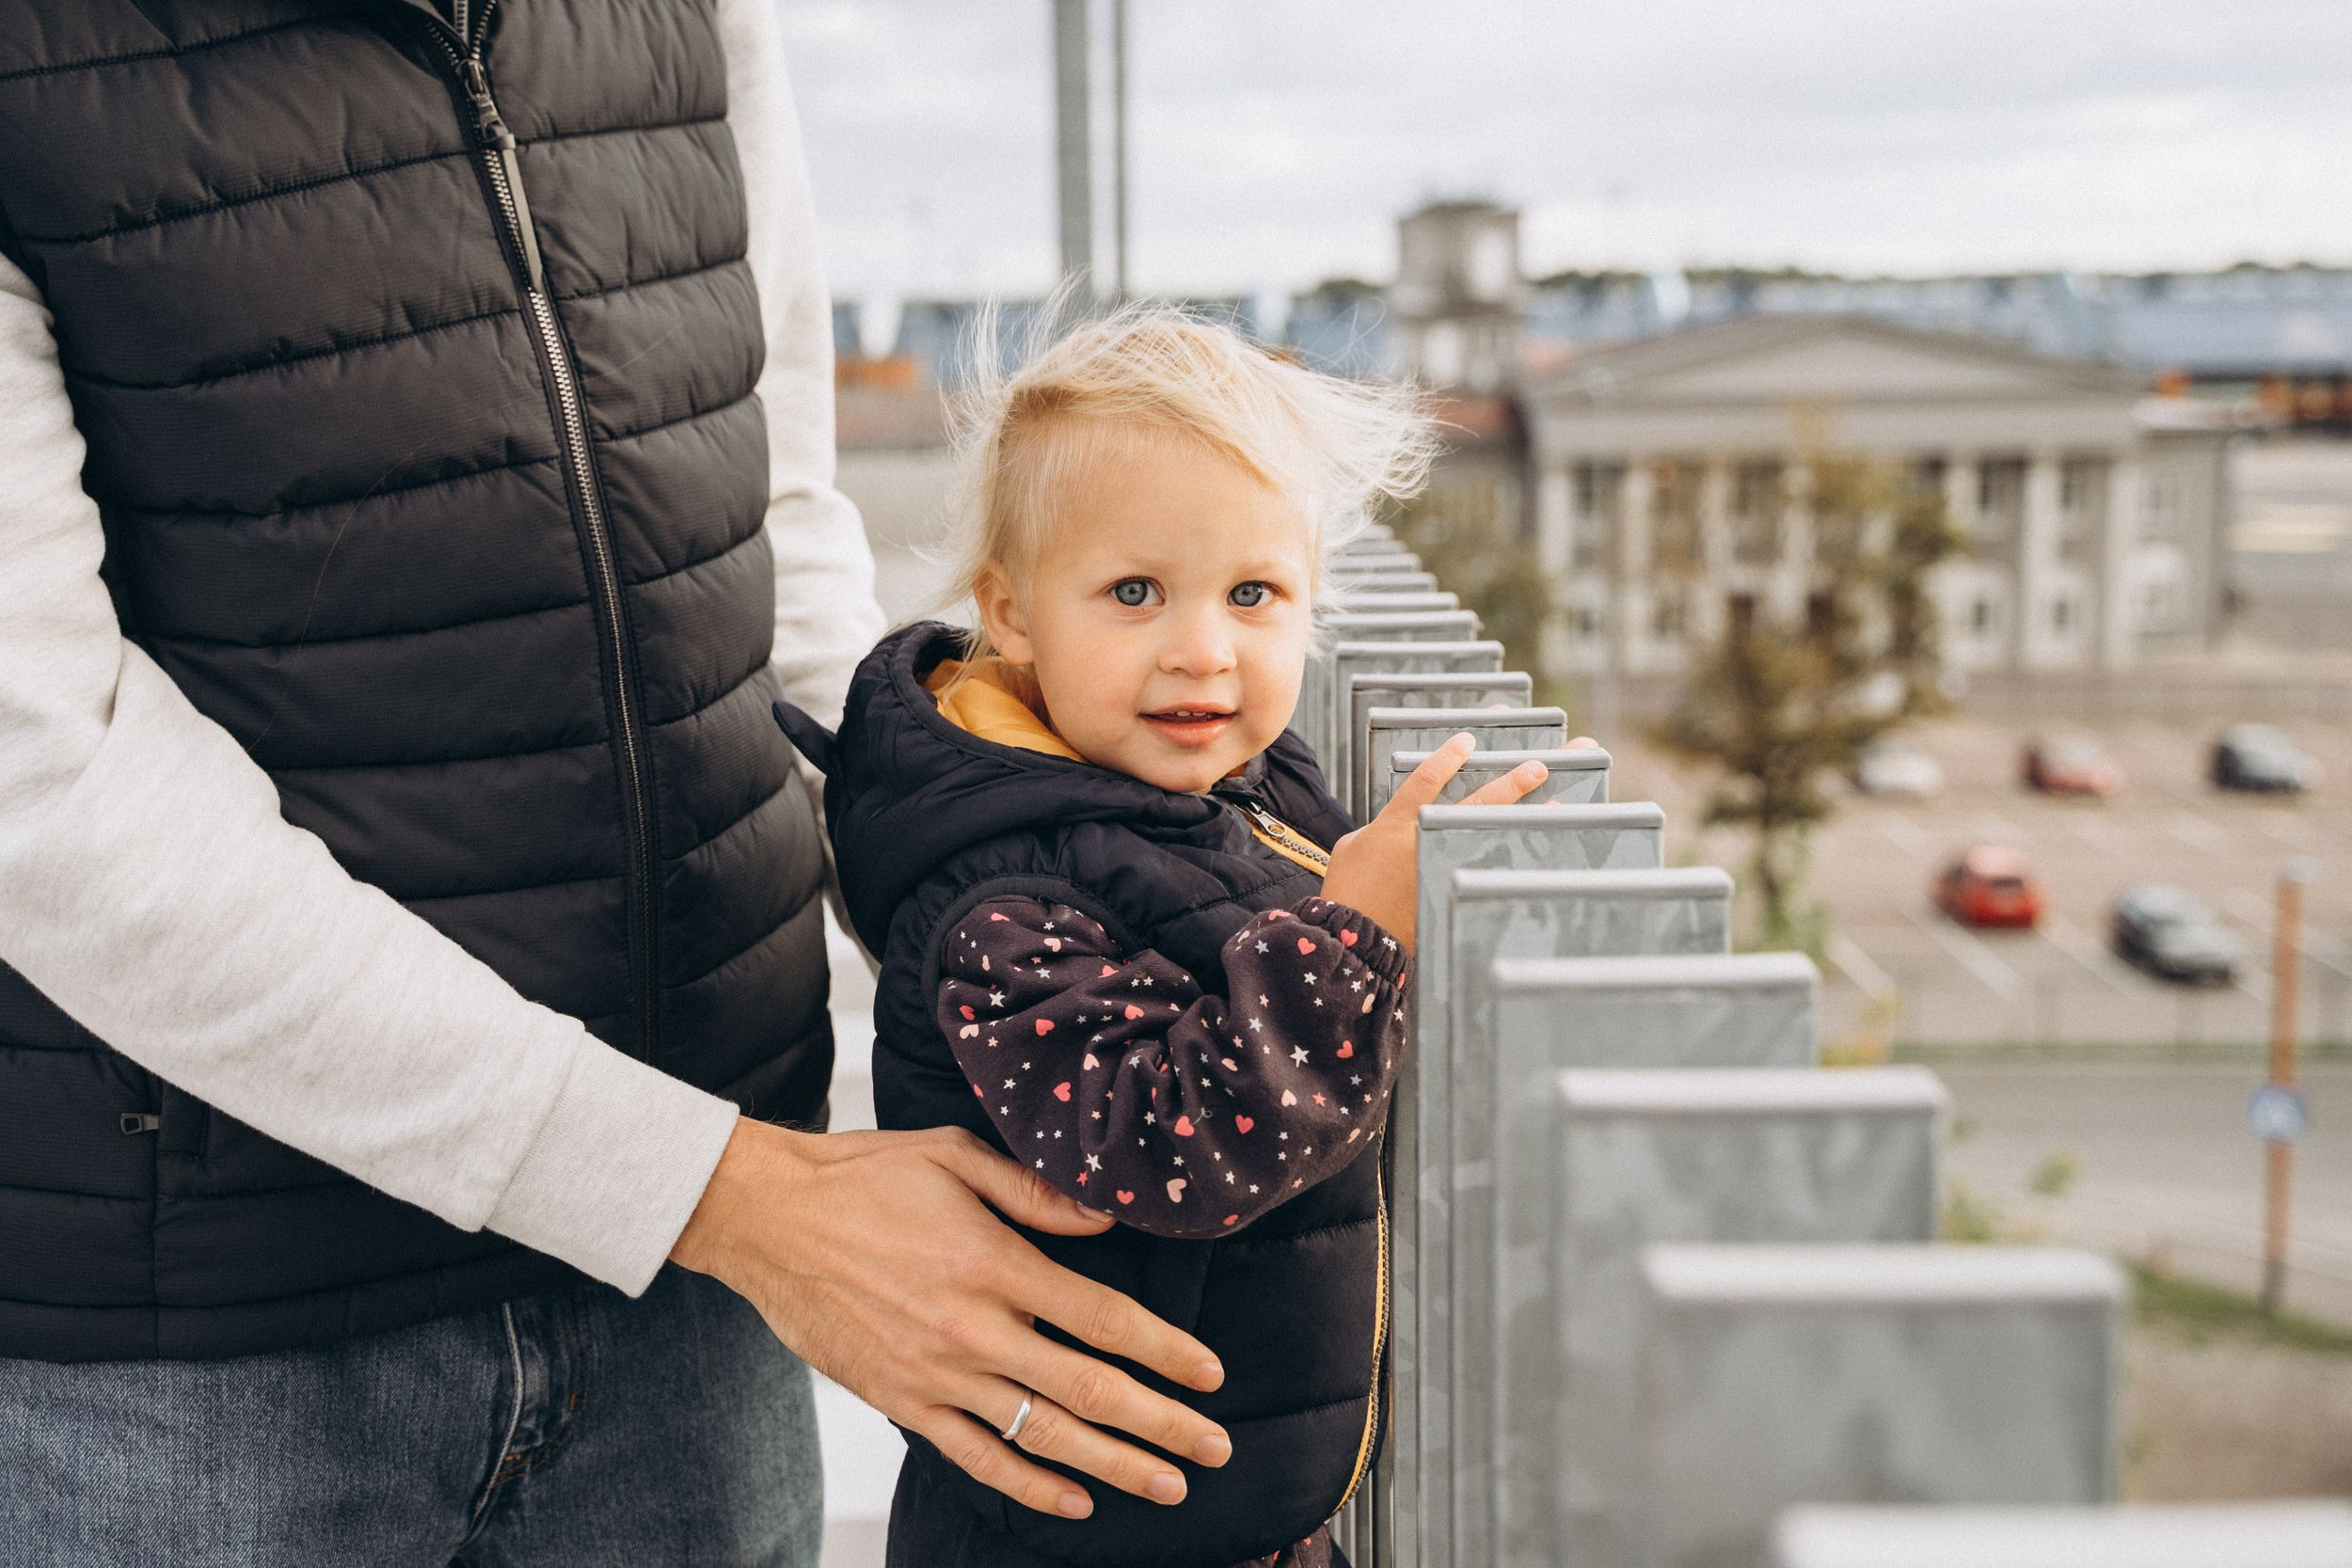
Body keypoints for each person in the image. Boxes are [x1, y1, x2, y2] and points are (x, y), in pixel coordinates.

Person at [0, 2, 1230, 1560]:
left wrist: (1049, 907)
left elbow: (763, 524)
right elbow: (45, 779)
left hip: (694, 1312)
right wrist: (715, 1193)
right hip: (210, 1370)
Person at [776, 309, 1555, 1567]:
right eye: (1135, 592)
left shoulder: (1216, 789)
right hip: (1077, 1532)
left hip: (1211, 1512)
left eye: (1254, 593)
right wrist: (1355, 935)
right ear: (1013, 616)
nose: (1202, 648)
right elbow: (1165, 1141)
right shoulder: (1004, 904)